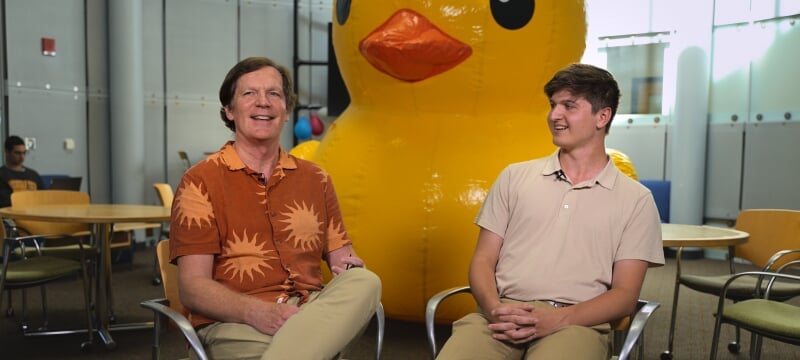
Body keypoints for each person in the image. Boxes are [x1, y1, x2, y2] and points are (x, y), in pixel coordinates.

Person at [437, 63, 665, 359]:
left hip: (575, 323)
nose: (554, 115)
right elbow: (483, 260)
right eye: (553, 105)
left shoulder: (637, 200)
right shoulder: (513, 177)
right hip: (501, 313)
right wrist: (494, 309)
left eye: (569, 106)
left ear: (602, 116)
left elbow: (625, 295)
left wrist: (558, 319)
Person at [169, 57, 382, 360]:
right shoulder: (201, 181)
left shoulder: (316, 179)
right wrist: (256, 312)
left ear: (286, 110)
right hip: (237, 321)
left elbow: (344, 260)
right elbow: (193, 288)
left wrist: (349, 269)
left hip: (309, 312)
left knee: (365, 281)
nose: (263, 102)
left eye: (274, 93)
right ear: (229, 110)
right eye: (249, 93)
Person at [0, 135, 44, 208]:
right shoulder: (2, 175)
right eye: (17, 153)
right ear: (7, 152)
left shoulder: (34, 175)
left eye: (24, 153)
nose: (22, 157)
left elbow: (42, 198)